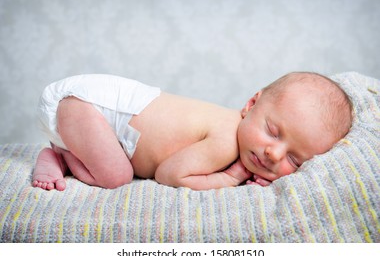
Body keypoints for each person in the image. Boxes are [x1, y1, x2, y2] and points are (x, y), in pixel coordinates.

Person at [32, 72, 353, 191]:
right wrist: (230, 177)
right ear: (251, 104)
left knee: (115, 166)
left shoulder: (236, 131)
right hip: (85, 107)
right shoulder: (227, 139)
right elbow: (169, 174)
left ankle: (63, 153)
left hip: (91, 115)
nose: (274, 153)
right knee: (117, 176)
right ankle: (61, 154)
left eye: (294, 161)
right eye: (273, 131)